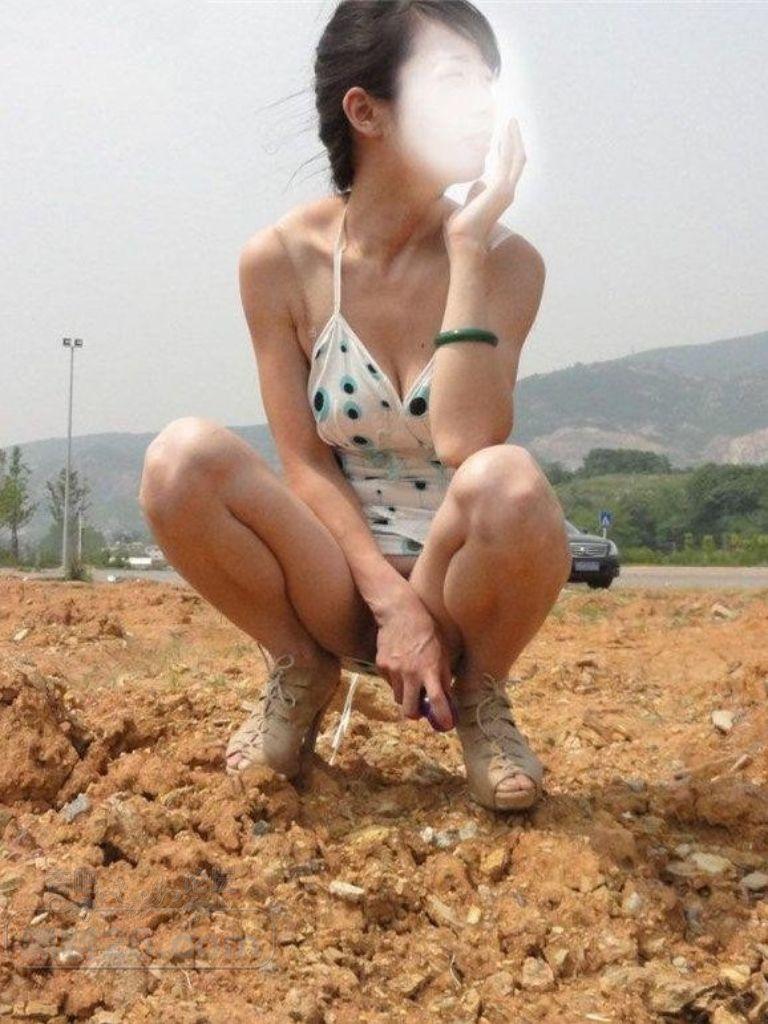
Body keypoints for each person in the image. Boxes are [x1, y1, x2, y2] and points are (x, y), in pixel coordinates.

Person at [138, 0, 572, 812]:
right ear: (367, 111)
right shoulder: (281, 261)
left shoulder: (510, 263)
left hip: (458, 579)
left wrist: (468, 250)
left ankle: (480, 694)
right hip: (336, 578)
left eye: (489, 82)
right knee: (179, 459)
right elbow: (303, 463)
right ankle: (300, 667)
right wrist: (385, 597)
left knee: (508, 480)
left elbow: (466, 439)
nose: (484, 106)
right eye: (453, 81)